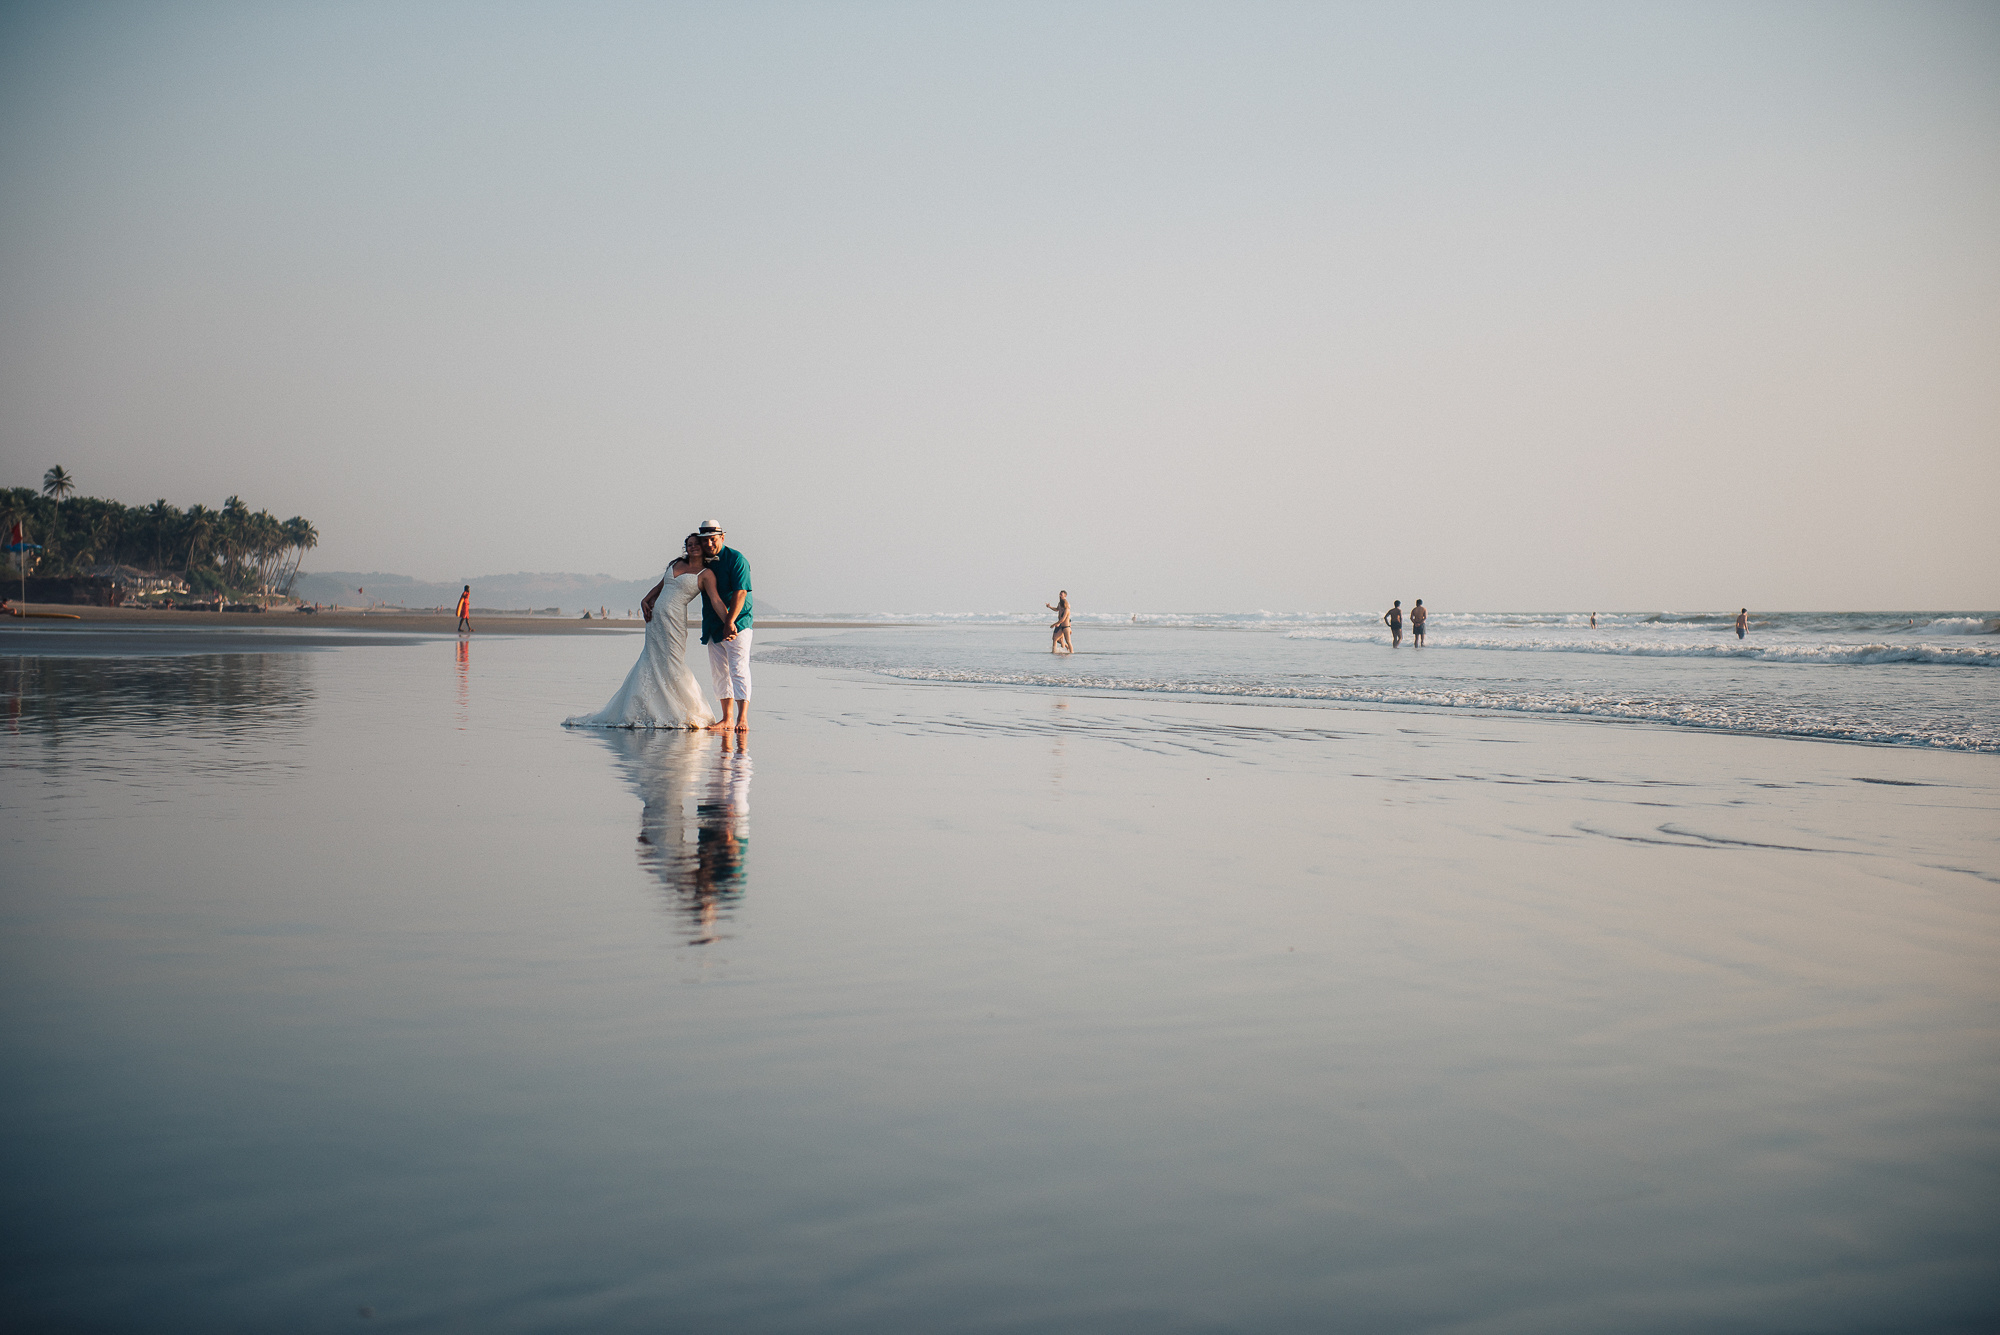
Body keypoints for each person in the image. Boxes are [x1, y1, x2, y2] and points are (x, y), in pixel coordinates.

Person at [564, 534, 727, 729]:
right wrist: (645, 599)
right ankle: (647, 708)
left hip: (675, 621)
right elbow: (660, 587)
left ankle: (678, 707)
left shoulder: (706, 574)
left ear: (703, 546)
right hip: (655, 620)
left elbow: (716, 600)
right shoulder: (676, 564)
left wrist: (729, 622)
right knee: (651, 659)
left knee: (672, 660)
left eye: (696, 544)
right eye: (689, 545)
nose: (693, 547)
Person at [696, 521, 754, 731]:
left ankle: (742, 718)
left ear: (722, 537)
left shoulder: (736, 559)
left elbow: (741, 592)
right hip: (713, 624)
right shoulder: (702, 562)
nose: (709, 544)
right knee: (719, 672)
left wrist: (730, 621)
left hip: (738, 623)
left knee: (738, 669)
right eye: (705, 540)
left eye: (713, 539)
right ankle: (727, 718)